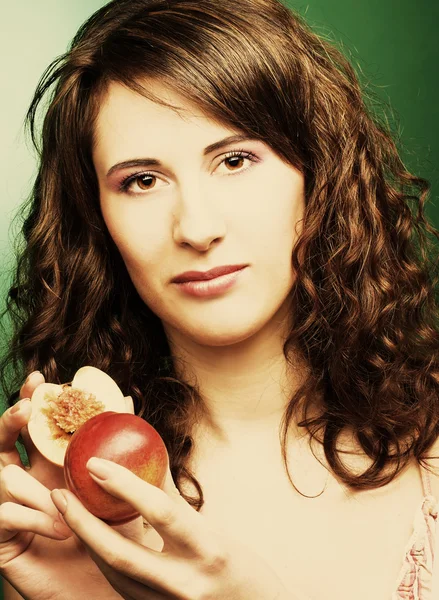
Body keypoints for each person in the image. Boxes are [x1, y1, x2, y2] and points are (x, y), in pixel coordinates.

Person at [0, 0, 438, 598]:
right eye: (142, 181)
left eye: (235, 160)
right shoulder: (67, 509)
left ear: (318, 175)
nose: (197, 228)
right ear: (98, 218)